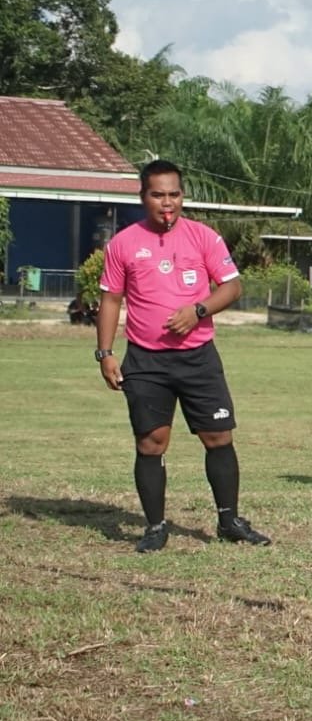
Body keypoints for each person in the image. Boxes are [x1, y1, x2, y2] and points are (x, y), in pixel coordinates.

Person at [94, 159, 270, 552]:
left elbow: (232, 287)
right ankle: (155, 528)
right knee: (151, 442)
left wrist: (198, 311)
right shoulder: (123, 244)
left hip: (198, 358)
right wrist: (105, 353)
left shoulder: (204, 237)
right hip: (146, 361)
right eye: (158, 195)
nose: (167, 203)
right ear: (143, 197)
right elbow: (111, 299)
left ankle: (229, 521)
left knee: (218, 436)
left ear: (182, 195)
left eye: (174, 194)